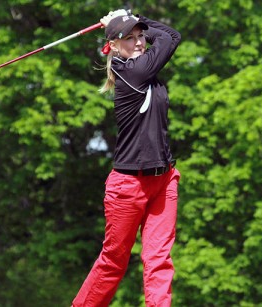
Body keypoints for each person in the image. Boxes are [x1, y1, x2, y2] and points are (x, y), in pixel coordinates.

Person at [72, 9, 181, 307]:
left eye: (140, 36)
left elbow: (162, 38)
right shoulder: (131, 72)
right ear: (113, 46)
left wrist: (131, 17)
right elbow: (172, 36)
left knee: (159, 258)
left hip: (164, 180)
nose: (138, 43)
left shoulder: (146, 70)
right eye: (128, 39)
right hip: (128, 187)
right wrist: (130, 16)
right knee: (113, 262)